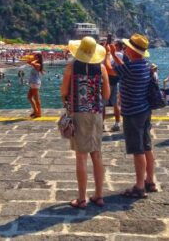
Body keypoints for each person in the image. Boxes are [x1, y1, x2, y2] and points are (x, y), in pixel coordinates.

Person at [105, 33, 156, 198]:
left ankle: (139, 187)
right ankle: (150, 181)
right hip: (145, 110)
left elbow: (110, 69)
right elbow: (122, 69)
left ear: (132, 51)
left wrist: (106, 54)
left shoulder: (130, 67)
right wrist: (114, 54)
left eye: (128, 47)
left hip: (132, 113)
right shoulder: (144, 65)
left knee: (138, 150)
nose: (125, 48)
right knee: (147, 146)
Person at [62, 36, 110, 209]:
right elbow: (106, 95)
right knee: (97, 155)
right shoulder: (102, 68)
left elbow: (64, 91)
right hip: (96, 114)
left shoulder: (71, 67)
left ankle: (82, 199)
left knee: (81, 157)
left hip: (78, 114)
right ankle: (99, 195)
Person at [105, 40, 124, 132]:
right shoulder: (116, 55)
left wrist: (108, 53)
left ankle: (113, 123)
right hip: (112, 81)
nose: (113, 46)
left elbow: (108, 67)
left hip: (110, 81)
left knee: (105, 104)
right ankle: (116, 123)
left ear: (118, 46)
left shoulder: (119, 54)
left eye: (115, 45)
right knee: (114, 104)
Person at [27, 53, 44, 119]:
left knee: (36, 99)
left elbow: (32, 63)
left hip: (35, 83)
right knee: (29, 97)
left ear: (39, 58)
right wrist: (32, 58)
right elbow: (28, 62)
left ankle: (38, 113)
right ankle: (35, 111)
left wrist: (36, 60)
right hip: (32, 83)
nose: (34, 58)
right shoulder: (35, 64)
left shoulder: (38, 64)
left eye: (36, 57)